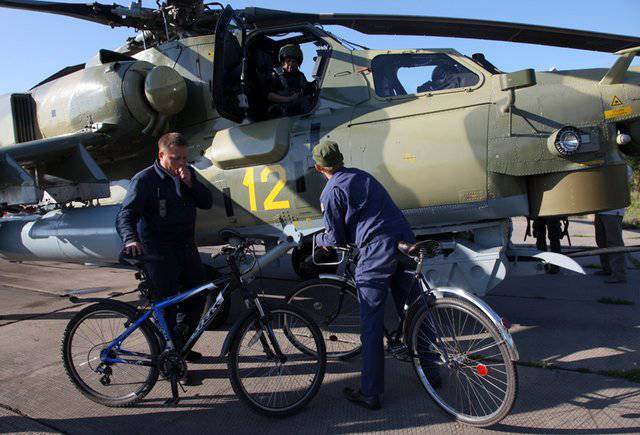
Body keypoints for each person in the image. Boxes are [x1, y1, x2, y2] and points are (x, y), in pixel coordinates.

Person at [312, 140, 427, 410]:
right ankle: (433, 373)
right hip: (402, 239)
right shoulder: (363, 175)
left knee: (371, 323)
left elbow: (336, 235)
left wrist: (321, 242)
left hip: (376, 251)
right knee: (415, 310)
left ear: (319, 168)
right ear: (340, 159)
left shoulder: (331, 191)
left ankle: (371, 392)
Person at [116, 132, 213, 361]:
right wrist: (131, 239)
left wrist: (190, 183)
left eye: (184, 158)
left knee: (198, 296)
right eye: (175, 158)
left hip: (186, 247)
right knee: (166, 305)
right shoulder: (144, 180)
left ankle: (179, 344)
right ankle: (167, 360)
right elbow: (126, 214)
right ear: (161, 155)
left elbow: (206, 202)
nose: (180, 163)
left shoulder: (187, 174)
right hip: (158, 252)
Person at [594, 164, 633, 284]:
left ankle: (619, 274)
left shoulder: (623, 166)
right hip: (600, 208)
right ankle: (607, 269)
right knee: (601, 240)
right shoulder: (601, 163)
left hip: (613, 210)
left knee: (614, 242)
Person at [267, 43, 316, 116]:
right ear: (283, 62)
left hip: (295, 110)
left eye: (293, 61)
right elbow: (269, 95)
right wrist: (290, 99)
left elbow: (308, 90)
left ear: (298, 63)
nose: (291, 64)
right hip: (280, 111)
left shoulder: (300, 76)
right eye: (288, 61)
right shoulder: (275, 74)